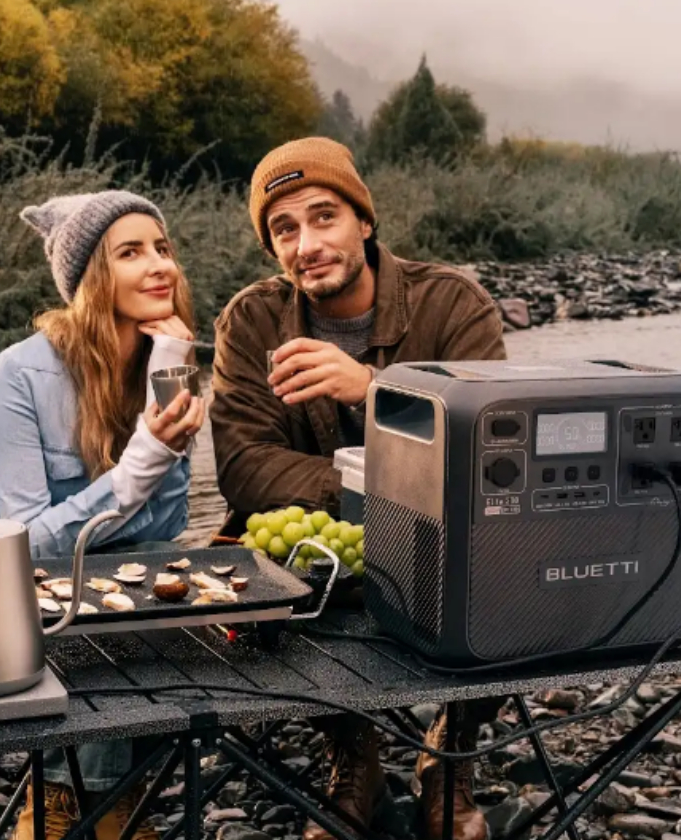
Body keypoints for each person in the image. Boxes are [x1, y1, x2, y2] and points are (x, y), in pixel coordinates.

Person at [209, 137, 507, 840]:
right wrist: (367, 494)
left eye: (324, 217)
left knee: (511, 559)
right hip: (322, 546)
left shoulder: (453, 303)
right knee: (251, 570)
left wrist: (379, 394)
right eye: (285, 229)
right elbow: (245, 466)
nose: (307, 243)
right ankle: (353, 753)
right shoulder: (252, 322)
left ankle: (451, 758)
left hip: (446, 540)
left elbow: (497, 453)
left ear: (364, 222)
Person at [0, 190, 205, 840]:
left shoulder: (159, 358)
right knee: (101, 586)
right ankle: (80, 807)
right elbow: (27, 547)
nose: (161, 266)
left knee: (154, 577)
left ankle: (98, 797)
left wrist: (171, 382)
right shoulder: (19, 373)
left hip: (59, 589)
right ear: (92, 277)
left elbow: (163, 528)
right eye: (131, 252)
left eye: (163, 248)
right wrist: (144, 460)